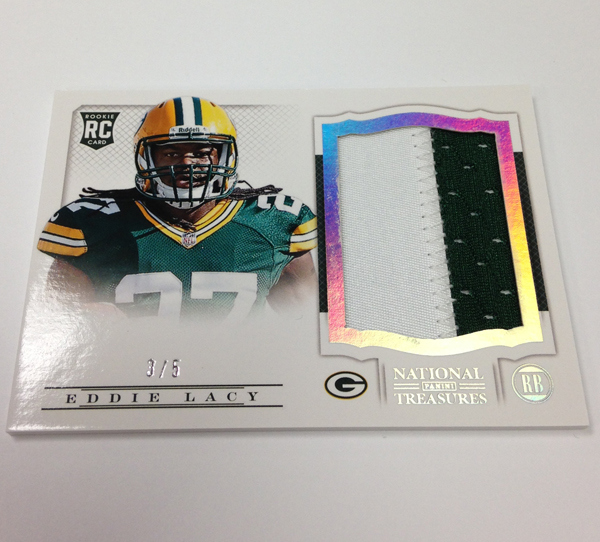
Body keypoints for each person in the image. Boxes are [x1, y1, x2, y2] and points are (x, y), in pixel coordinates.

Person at [38, 97, 317, 320]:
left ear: (225, 156)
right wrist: (81, 321)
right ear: (146, 159)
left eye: (201, 153)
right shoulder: (92, 225)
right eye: (171, 153)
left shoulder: (273, 223)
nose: (186, 164)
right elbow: (50, 322)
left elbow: (306, 325)